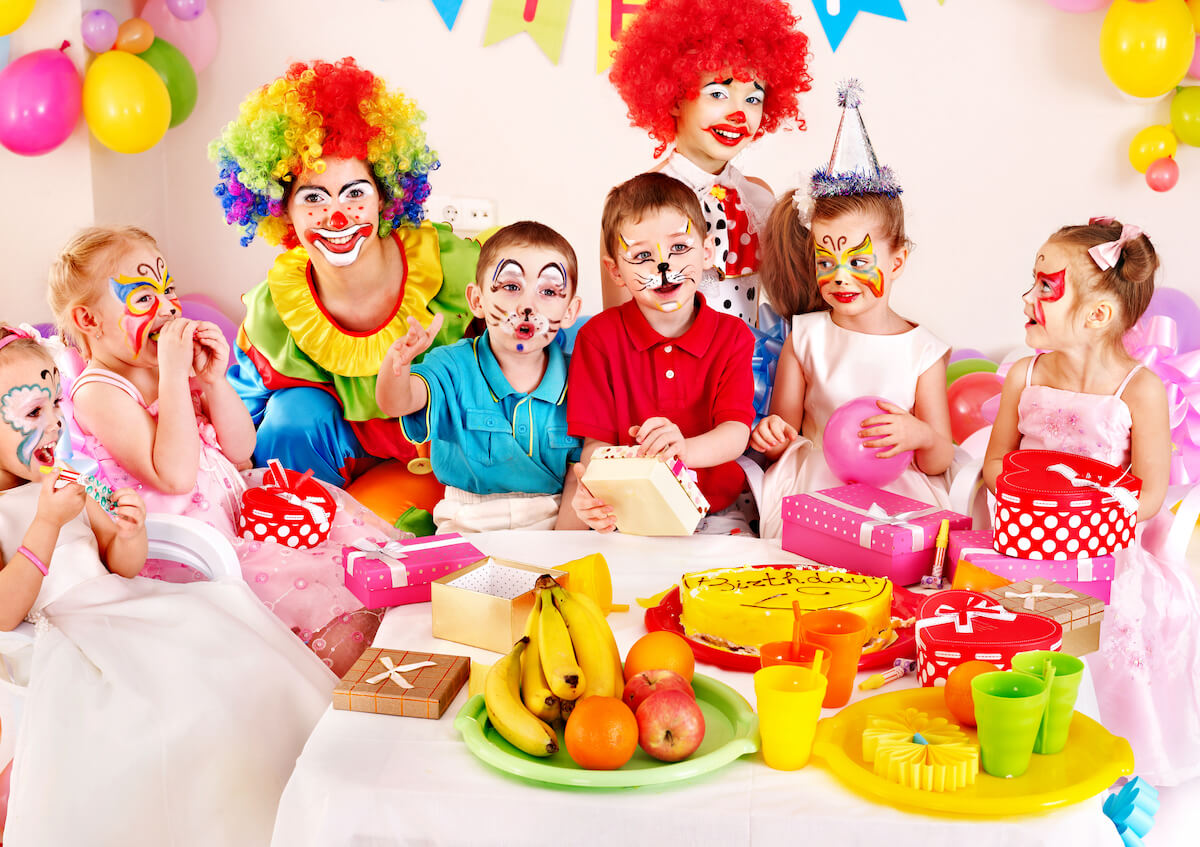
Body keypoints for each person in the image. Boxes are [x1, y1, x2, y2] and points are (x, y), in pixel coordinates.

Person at [0, 326, 332, 846]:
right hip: (64, 633)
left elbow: (121, 566)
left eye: (56, 407)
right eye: (32, 414)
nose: (54, 426)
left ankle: (311, 795)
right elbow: (4, 611)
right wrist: (44, 524)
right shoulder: (29, 506)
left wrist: (128, 531)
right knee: (182, 704)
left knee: (241, 660)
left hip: (128, 604)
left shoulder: (68, 480)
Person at [48, 225, 397, 676]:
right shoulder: (98, 391)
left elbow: (240, 451)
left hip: (234, 513)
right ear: (89, 321)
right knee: (311, 583)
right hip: (187, 549)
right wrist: (175, 377)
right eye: (142, 297)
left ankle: (402, 637)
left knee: (348, 541)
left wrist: (212, 382)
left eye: (167, 288)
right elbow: (173, 477)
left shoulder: (167, 370)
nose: (169, 307)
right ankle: (351, 674)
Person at [983, 218, 1200, 786]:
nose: (1028, 298)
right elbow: (995, 462)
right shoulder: (1023, 376)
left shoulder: (1139, 390)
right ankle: (1015, 724)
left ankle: (1103, 746)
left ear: (1097, 315)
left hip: (1097, 547)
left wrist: (1086, 511)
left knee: (1121, 612)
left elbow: (1151, 493)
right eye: (1032, 283)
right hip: (1026, 540)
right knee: (978, 595)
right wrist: (1027, 501)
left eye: (1046, 287)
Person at [210, 57, 478, 486]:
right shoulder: (276, 311)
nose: (336, 216)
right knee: (288, 418)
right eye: (314, 198)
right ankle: (309, 533)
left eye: (354, 192)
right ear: (282, 211)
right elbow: (235, 432)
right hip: (339, 472)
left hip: (455, 457)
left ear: (384, 198)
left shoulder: (452, 267)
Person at [753, 82, 954, 539]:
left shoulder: (921, 351)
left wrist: (918, 435)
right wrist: (772, 436)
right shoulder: (804, 339)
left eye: (859, 262)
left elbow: (939, 457)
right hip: (819, 487)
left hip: (896, 495)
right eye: (826, 261)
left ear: (897, 261)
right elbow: (782, 438)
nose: (840, 276)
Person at [605, 0, 812, 329]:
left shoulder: (758, 198)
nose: (738, 112)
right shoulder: (636, 203)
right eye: (718, 93)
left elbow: (779, 301)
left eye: (753, 98)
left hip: (749, 370)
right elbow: (616, 327)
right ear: (673, 99)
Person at [568, 173, 754, 533]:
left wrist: (681, 449)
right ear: (616, 271)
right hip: (630, 512)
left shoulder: (733, 337)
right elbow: (595, 446)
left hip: (716, 513)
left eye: (679, 248)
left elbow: (735, 433)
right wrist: (598, 483)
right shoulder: (597, 339)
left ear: (706, 251)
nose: (663, 267)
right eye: (641, 256)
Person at [376, 221, 586, 532]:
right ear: (477, 301)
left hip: (551, 521)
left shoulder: (580, 378)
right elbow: (397, 403)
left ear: (569, 311)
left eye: (548, 291)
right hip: (468, 522)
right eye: (512, 287)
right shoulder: (452, 364)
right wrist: (398, 364)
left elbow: (581, 474)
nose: (527, 306)